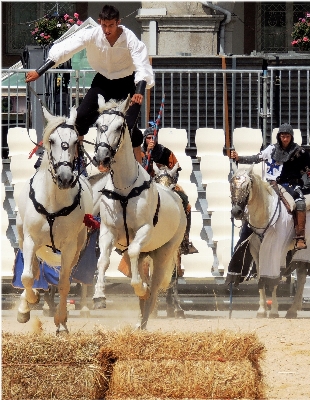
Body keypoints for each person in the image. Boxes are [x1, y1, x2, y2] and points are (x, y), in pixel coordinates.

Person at [25, 5, 154, 164]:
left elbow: (141, 64)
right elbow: (66, 49)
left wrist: (139, 90)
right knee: (80, 118)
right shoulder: (92, 34)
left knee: (128, 126)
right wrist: (39, 71)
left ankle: (137, 166)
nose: (107, 30)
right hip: (103, 82)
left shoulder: (129, 38)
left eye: (111, 25)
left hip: (127, 83)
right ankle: (78, 162)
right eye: (104, 25)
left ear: (118, 23)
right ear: (100, 22)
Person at [231, 123, 310, 250]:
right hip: (270, 184)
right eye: (283, 136)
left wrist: (307, 186)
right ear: (279, 136)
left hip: (291, 184)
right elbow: (257, 157)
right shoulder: (271, 149)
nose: (285, 139)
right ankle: (246, 235)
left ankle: (300, 237)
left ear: (291, 137)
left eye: (287, 136)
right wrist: (239, 158)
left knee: (300, 203)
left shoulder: (300, 152)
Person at [142, 125, 198, 255]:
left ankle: (184, 241)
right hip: (145, 185)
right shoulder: (138, 152)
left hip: (166, 183)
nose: (151, 140)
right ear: (145, 139)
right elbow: (140, 170)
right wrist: (147, 155)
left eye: (153, 138)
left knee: (185, 202)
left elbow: (176, 171)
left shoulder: (165, 152)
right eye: (149, 138)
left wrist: (168, 179)